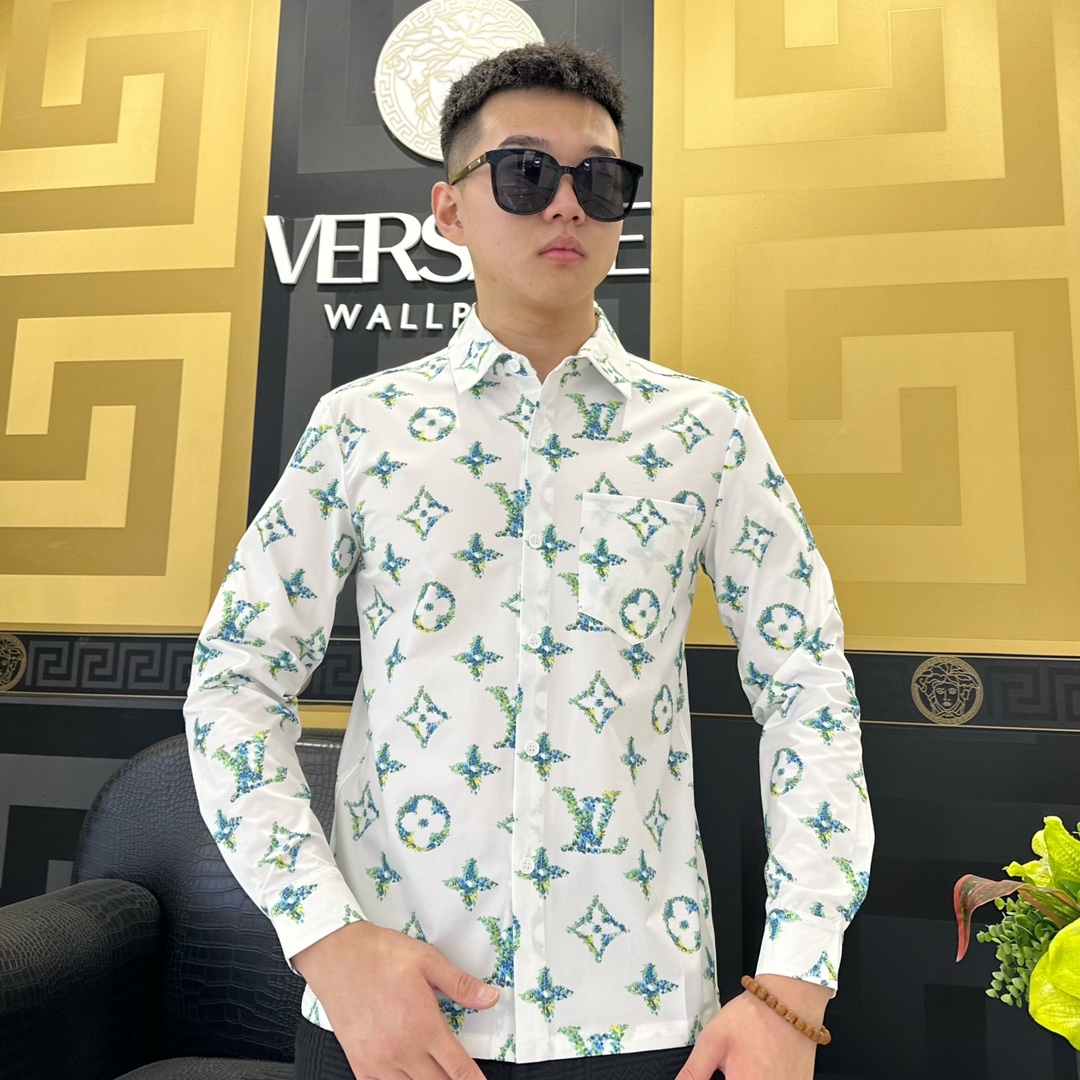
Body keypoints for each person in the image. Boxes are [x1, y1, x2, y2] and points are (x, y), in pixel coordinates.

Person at [184, 41, 873, 1080]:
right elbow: (234, 682)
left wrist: (797, 981)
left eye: (599, 180)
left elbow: (808, 687)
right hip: (389, 1020)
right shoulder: (362, 426)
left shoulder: (709, 432)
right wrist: (323, 937)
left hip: (639, 1023)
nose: (565, 205)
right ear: (451, 209)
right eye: (524, 172)